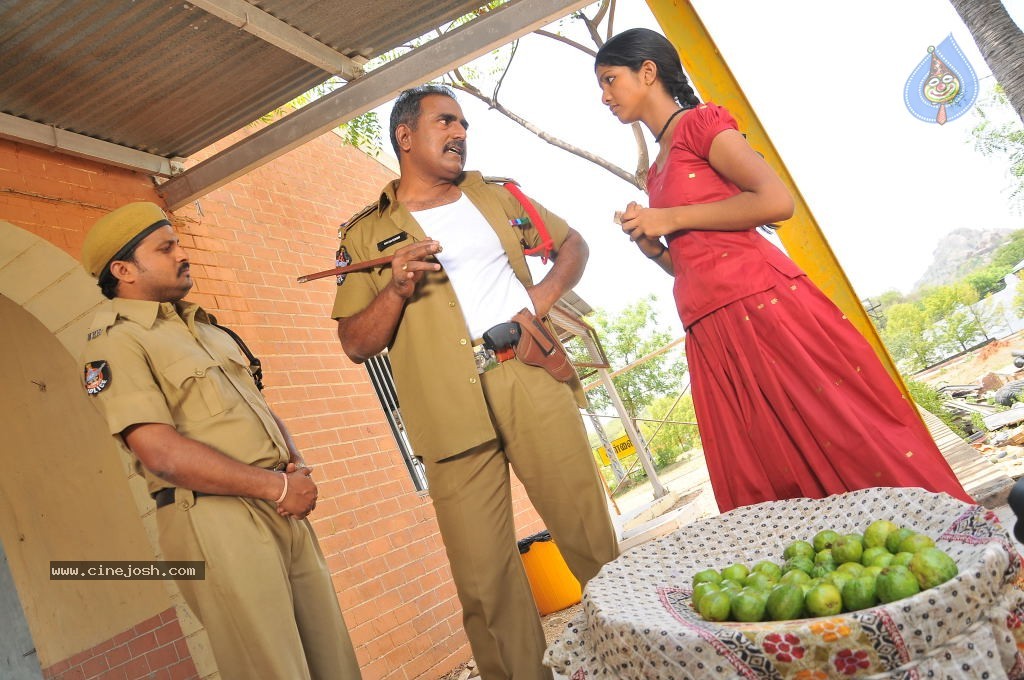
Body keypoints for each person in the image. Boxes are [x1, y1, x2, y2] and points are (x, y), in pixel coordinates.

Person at [594, 28, 973, 513]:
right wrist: (654, 249)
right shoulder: (657, 168)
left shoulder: (700, 125)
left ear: (648, 72)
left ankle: (944, 531)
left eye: (610, 79)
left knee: (846, 437)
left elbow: (776, 201)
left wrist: (668, 218)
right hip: (711, 330)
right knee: (769, 474)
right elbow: (696, 259)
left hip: (763, 312)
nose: (604, 96)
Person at [331, 85, 618, 680]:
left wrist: (539, 299)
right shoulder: (363, 236)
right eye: (445, 121)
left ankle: (642, 660)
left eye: (463, 123)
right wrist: (397, 288)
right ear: (405, 136)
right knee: (486, 583)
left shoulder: (496, 195)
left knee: (592, 540)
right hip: (444, 411)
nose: (460, 132)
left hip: (527, 374)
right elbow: (356, 342)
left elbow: (572, 243)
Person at [78, 202, 362, 680]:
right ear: (123, 270)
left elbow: (257, 406)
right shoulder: (116, 342)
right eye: (166, 248)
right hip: (213, 518)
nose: (182, 254)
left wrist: (294, 465)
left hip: (279, 505)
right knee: (272, 670)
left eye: (178, 244)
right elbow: (160, 453)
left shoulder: (204, 328)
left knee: (334, 662)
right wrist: (276, 487)